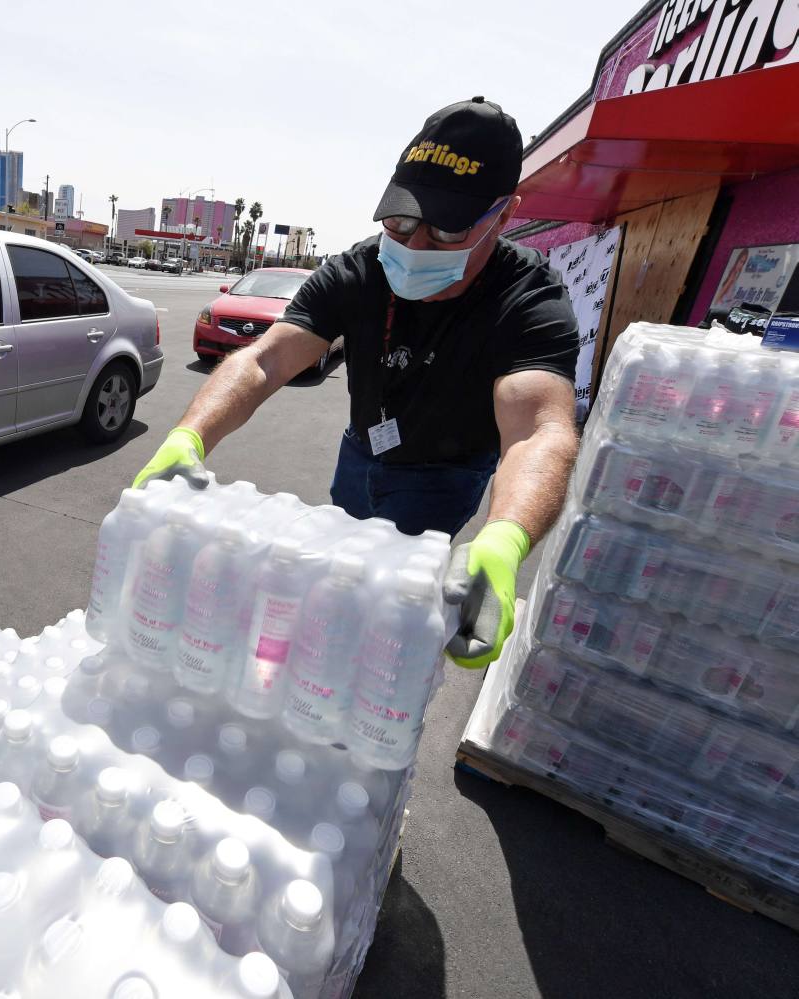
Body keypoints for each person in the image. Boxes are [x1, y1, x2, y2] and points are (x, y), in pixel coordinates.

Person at [132, 98, 579, 669]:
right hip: (360, 452)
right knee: (336, 580)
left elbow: (538, 429)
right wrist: (189, 436)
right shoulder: (359, 270)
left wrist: (505, 538)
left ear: (504, 215)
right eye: (401, 221)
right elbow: (267, 359)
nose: (415, 246)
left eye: (447, 227)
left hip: (442, 476)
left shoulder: (527, 297)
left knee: (389, 609)